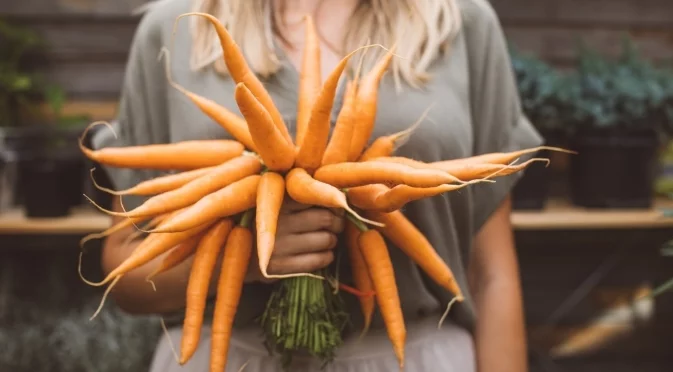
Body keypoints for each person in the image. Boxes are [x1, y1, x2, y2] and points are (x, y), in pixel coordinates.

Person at [92, 0, 543, 370]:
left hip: (415, 357)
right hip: (226, 358)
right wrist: (249, 254)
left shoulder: (460, 21)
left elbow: (492, 274)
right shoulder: (173, 26)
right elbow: (124, 271)